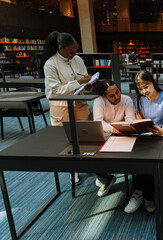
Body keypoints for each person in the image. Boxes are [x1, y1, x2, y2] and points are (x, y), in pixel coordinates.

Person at [40, 31, 92, 185]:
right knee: (67, 140)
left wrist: (88, 84)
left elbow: (84, 77)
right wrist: (78, 82)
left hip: (79, 101)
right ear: (61, 48)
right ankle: (73, 172)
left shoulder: (77, 59)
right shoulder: (50, 64)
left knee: (85, 135)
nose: (74, 54)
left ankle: (89, 164)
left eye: (76, 50)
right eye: (71, 51)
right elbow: (56, 89)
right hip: (61, 104)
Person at [124, 70, 163, 213]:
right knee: (141, 160)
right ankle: (147, 197)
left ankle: (139, 194)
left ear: (153, 83)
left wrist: (161, 131)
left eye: (146, 87)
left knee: (151, 162)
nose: (144, 91)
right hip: (145, 136)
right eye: (140, 89)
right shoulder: (138, 99)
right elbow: (140, 122)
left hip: (161, 136)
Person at [92, 79, 136, 197]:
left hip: (123, 133)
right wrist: (112, 128)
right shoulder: (99, 101)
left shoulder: (126, 99)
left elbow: (131, 118)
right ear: (105, 96)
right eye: (111, 95)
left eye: (117, 92)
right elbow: (98, 122)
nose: (117, 97)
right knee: (90, 155)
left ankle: (105, 177)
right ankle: (106, 179)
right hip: (105, 134)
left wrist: (124, 127)